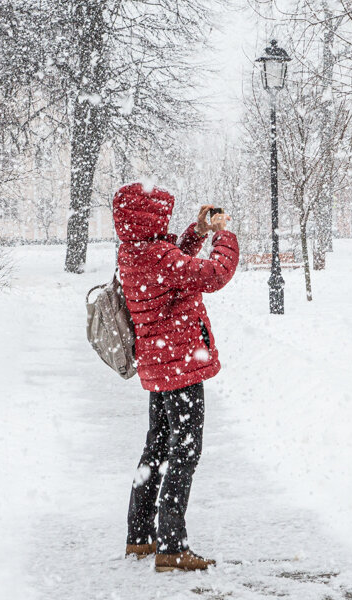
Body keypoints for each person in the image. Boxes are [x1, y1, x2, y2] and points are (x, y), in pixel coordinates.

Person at [111, 183, 238, 572]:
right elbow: (214, 274)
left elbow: (173, 263)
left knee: (157, 449)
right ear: (152, 218)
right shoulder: (159, 256)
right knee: (184, 453)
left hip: (159, 366)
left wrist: (196, 232)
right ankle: (172, 546)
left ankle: (140, 536)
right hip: (180, 365)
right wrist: (222, 235)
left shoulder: (132, 251)